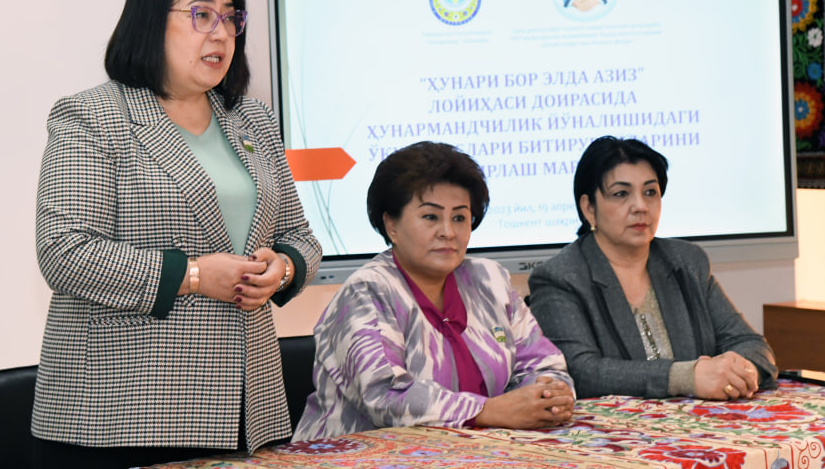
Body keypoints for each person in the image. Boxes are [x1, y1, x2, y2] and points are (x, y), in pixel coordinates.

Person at [32, 0, 321, 469]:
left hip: (248, 405)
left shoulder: (253, 119)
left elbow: (299, 236)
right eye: (202, 15)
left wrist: (281, 270)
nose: (221, 33)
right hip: (125, 411)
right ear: (149, 21)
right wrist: (193, 275)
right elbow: (64, 251)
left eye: (230, 18)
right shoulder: (93, 116)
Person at [293, 141, 574, 441]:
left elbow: (544, 364)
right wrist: (487, 411)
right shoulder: (366, 292)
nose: (448, 232)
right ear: (391, 225)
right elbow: (385, 396)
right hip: (354, 460)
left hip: (473, 455)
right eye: (431, 217)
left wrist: (547, 396)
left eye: (459, 218)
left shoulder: (490, 280)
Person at [528, 136, 777, 400]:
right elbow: (581, 372)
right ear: (589, 208)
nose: (640, 207)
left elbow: (752, 346)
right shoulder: (560, 277)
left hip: (701, 420)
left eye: (650, 192)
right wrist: (686, 378)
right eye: (621, 194)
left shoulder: (686, 262)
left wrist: (738, 373)